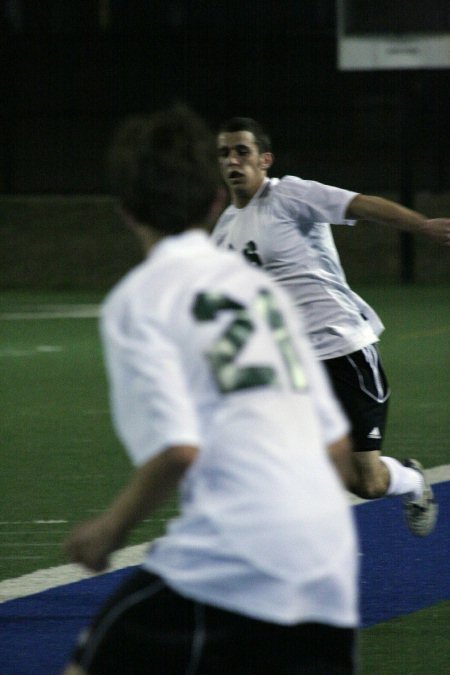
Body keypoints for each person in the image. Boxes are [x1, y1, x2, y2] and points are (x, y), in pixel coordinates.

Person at [62, 104, 359, 675]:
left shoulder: (141, 298)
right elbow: (336, 447)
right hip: (329, 560)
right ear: (214, 201)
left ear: (125, 210)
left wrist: (107, 532)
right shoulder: (261, 292)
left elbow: (177, 449)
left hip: (234, 555)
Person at [212, 117, 447, 537]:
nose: (233, 160)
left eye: (241, 151)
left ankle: (411, 481)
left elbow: (361, 205)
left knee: (368, 483)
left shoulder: (290, 195)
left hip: (344, 352)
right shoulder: (225, 230)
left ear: (264, 160)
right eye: (225, 153)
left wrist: (421, 225)